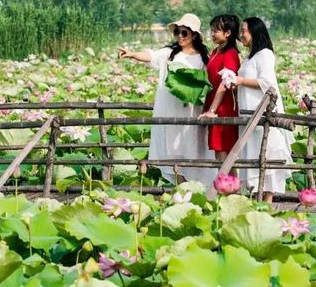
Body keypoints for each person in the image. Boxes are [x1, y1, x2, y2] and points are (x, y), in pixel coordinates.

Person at [118, 13, 213, 184]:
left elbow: (209, 81)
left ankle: (193, 189)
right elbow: (150, 56)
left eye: (184, 33)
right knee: (172, 150)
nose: (180, 36)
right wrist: (131, 53)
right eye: (177, 32)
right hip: (170, 108)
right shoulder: (169, 54)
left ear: (194, 35)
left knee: (191, 148)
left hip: (191, 110)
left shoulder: (203, 58)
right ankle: (181, 187)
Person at [234, 17, 295, 202]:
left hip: (262, 110)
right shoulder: (249, 57)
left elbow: (266, 82)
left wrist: (241, 81)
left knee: (267, 150)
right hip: (248, 110)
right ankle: (256, 195)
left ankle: (267, 199)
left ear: (254, 32)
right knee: (252, 151)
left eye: (244, 31)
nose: (241, 35)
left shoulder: (265, 54)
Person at [198, 14, 241, 165]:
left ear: (227, 33)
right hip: (214, 104)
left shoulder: (230, 54)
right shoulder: (216, 52)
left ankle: (228, 187)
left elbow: (225, 84)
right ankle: (228, 187)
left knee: (223, 150)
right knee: (220, 151)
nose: (212, 34)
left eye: (216, 31)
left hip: (224, 108)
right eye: (212, 30)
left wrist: (212, 110)